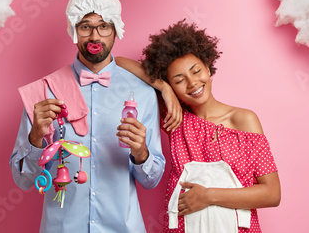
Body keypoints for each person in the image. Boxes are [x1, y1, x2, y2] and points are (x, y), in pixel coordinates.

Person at [9, 0, 165, 233]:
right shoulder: (45, 92)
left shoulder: (143, 94)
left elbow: (151, 180)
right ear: (74, 31)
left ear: (116, 30)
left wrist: (142, 153)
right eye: (85, 26)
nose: (95, 37)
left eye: (104, 26)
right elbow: (24, 180)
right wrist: (35, 138)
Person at [116, 20, 280, 232]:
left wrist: (209, 196)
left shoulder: (244, 120)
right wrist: (164, 88)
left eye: (196, 71)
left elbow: (272, 193)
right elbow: (119, 62)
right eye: (179, 80)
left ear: (208, 68)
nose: (192, 83)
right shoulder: (175, 120)